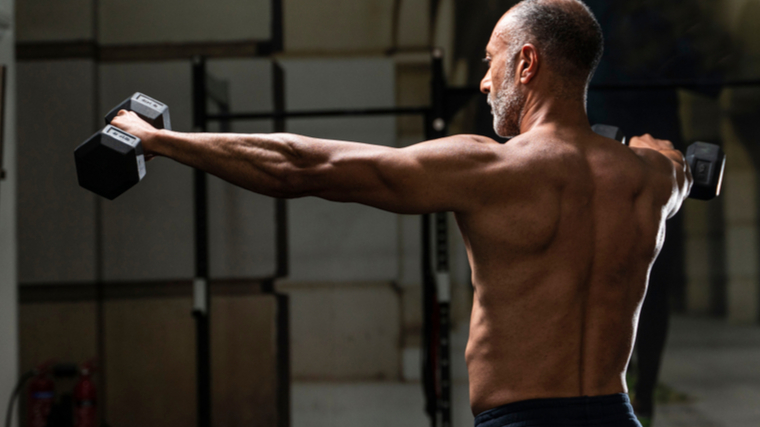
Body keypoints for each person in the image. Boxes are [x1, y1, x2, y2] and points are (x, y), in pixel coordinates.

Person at [110, 0, 692, 425]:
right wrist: (657, 154)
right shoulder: (653, 178)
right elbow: (674, 171)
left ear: (527, 63)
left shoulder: (491, 169)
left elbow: (302, 166)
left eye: (491, 61)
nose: (485, 82)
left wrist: (159, 140)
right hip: (617, 417)